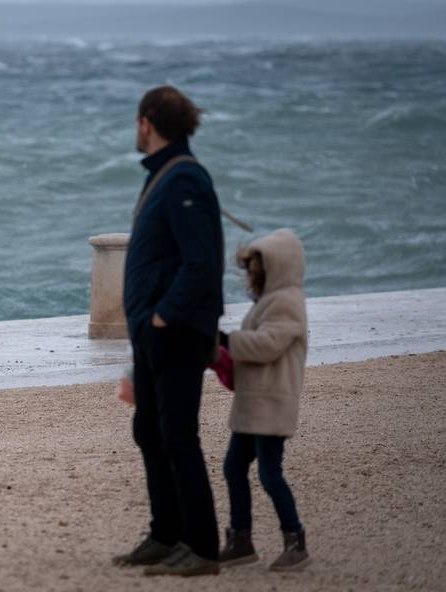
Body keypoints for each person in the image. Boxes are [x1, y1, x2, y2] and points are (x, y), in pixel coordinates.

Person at [112, 85, 224, 577]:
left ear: (147, 123)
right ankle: (166, 535)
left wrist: (163, 315)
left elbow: (201, 262)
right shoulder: (164, 175)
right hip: (153, 331)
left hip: (174, 329)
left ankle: (200, 547)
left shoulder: (182, 180)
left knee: (178, 435)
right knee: (150, 430)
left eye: (137, 121)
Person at [218, 228, 311, 572]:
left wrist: (227, 341)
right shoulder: (271, 300)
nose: (252, 278)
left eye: (258, 270)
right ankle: (241, 539)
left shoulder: (287, 302)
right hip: (254, 403)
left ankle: (295, 540)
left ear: (278, 268)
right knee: (234, 467)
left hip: (271, 403)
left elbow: (268, 344)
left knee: (271, 474)